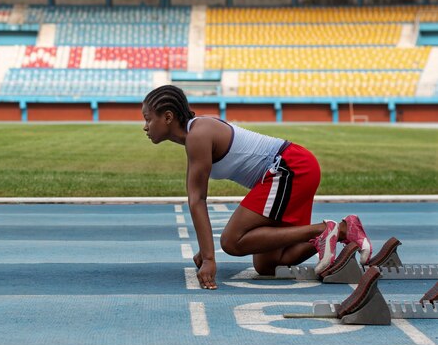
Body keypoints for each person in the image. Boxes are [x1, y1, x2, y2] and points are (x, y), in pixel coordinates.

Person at [142, 85, 372, 290]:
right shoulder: (198, 131)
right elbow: (197, 198)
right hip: (292, 170)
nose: (145, 127)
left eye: (148, 119)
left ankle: (323, 230)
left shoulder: (198, 135)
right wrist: (205, 251)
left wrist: (210, 258)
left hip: (291, 168)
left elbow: (197, 199)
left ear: (168, 117)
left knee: (232, 241)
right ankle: (342, 231)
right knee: (268, 264)